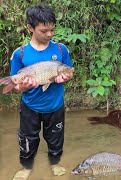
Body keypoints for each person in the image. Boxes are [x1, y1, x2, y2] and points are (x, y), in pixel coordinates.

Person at [10, 4, 73, 179]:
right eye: (44, 31)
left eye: (52, 30)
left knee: (55, 140)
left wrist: (67, 77)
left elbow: (68, 71)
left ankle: (55, 163)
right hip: (30, 107)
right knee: (28, 139)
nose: (50, 34)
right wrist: (25, 86)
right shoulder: (20, 54)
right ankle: (26, 167)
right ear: (30, 28)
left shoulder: (61, 49)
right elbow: (16, 85)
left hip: (55, 106)